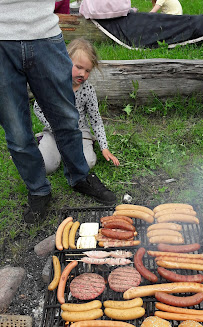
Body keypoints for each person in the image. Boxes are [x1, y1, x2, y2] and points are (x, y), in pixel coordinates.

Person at [0, 0, 117, 225]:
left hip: (44, 31)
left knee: (66, 116)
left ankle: (80, 177)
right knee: (16, 130)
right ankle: (38, 190)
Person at [34, 39, 119, 176]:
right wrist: (54, 127)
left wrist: (104, 147)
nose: (83, 74)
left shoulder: (88, 91)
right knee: (46, 166)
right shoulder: (53, 85)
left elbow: (95, 120)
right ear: (65, 61)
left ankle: (85, 145)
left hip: (79, 132)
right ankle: (44, 142)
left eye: (87, 71)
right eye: (78, 67)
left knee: (88, 163)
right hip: (55, 131)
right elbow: (38, 108)